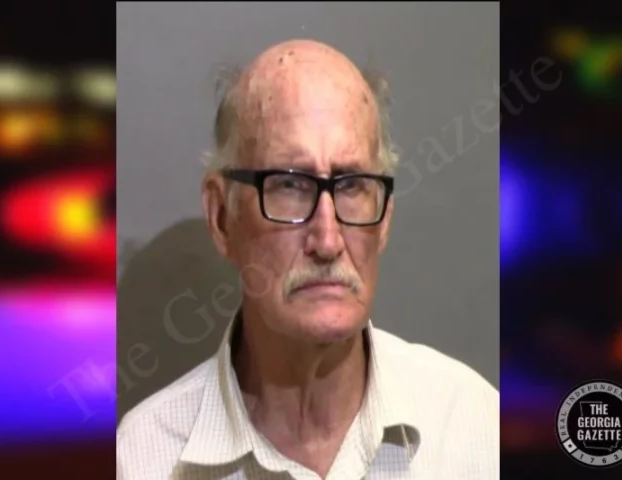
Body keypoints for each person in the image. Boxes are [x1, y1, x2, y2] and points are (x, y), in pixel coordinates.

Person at [117, 38, 498, 480]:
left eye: (352, 186)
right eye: (289, 185)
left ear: (385, 219)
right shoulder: (142, 461)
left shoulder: (477, 432)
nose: (328, 240)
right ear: (222, 218)